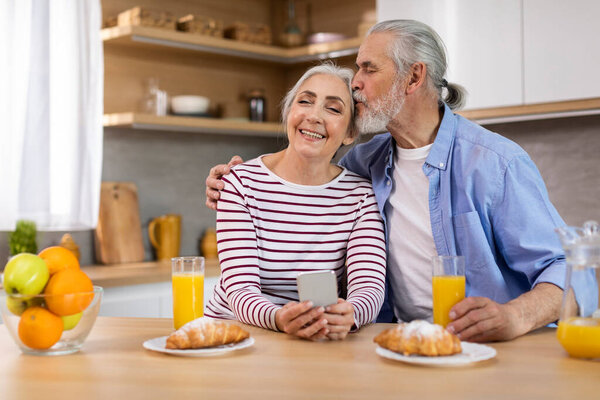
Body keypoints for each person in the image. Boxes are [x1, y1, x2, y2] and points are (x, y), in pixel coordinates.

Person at [206, 20, 598, 342]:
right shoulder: (366, 161)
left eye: (368, 69)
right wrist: (233, 181)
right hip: (399, 343)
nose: (354, 82)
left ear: (413, 77)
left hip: (490, 349)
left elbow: (569, 268)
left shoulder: (494, 163)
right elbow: (309, 178)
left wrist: (515, 317)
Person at [204, 64, 387, 341]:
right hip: (233, 336)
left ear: (350, 133)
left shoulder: (360, 196)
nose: (314, 116)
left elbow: (369, 286)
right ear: (290, 112)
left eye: (334, 109)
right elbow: (239, 289)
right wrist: (279, 318)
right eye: (305, 102)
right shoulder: (240, 182)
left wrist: (352, 313)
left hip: (314, 337)